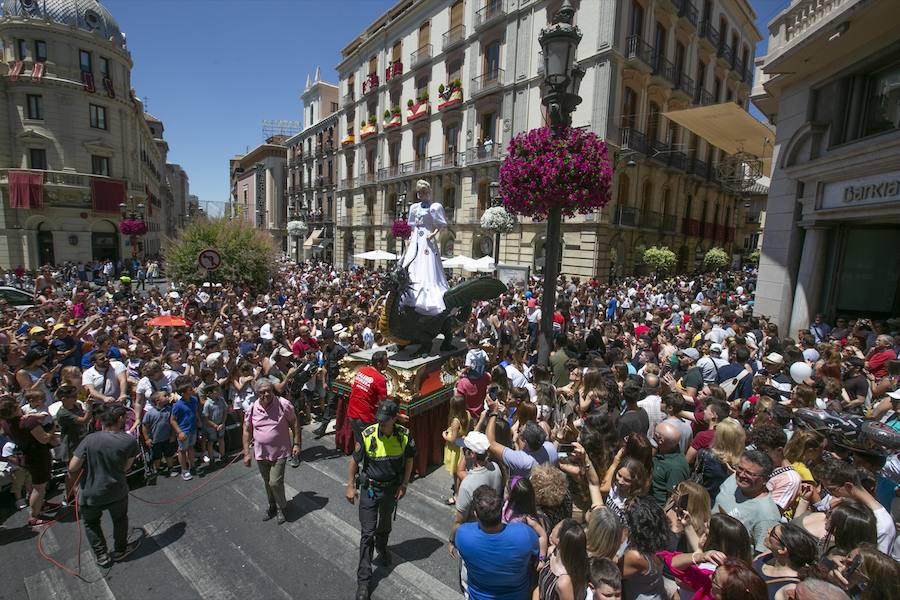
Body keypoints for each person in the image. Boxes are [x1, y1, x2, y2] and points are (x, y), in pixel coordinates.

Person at [345, 400, 415, 600]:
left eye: (385, 421)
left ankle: (382, 548)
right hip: (370, 491)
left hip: (390, 491)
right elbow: (353, 462)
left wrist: (404, 485)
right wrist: (350, 486)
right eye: (379, 420)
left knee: (384, 526)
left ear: (394, 419)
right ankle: (364, 582)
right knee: (367, 534)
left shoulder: (403, 436)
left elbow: (409, 459)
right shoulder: (368, 435)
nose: (380, 424)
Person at [67, 404, 141, 568]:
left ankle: (102, 555)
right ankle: (120, 550)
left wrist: (75, 487)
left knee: (91, 523)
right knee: (120, 520)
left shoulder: (89, 439)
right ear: (120, 419)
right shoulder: (129, 441)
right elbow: (126, 468)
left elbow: (72, 468)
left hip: (91, 493)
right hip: (116, 490)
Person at [455, 484, 541, 600]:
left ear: (476, 514)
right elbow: (537, 554)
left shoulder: (462, 534)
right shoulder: (525, 534)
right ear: (501, 509)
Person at [242, 379, 301, 524]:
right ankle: (272, 505)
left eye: (269, 390)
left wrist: (297, 443)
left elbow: (294, 422)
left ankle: (282, 507)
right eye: (262, 392)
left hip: (280, 452)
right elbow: (246, 430)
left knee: (275, 482)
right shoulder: (252, 408)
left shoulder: (283, 404)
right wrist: (246, 453)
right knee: (267, 482)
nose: (267, 394)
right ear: (257, 394)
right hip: (261, 453)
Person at [712, 450, 782, 553]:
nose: (742, 475)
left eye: (750, 473)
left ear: (765, 480)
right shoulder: (734, 480)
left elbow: (762, 555)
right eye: (740, 468)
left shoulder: (767, 515)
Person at [399, 179, 449, 317]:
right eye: (420, 192)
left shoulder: (435, 207)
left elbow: (440, 225)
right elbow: (413, 225)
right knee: (412, 261)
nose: (422, 194)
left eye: (424, 192)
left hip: (427, 238)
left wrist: (433, 234)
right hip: (416, 239)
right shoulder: (414, 208)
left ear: (429, 192)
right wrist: (409, 239)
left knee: (427, 264)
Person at [346, 350, 389, 451]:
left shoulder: (362, 370)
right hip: (365, 418)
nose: (388, 363)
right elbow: (384, 402)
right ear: (379, 364)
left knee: (359, 443)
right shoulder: (380, 379)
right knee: (371, 447)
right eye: (386, 361)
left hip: (352, 413)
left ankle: (356, 462)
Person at [650, 421, 690, 508]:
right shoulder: (661, 450)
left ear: (661, 440)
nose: (652, 435)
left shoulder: (676, 468)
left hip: (655, 510)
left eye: (655, 434)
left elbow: (673, 498)